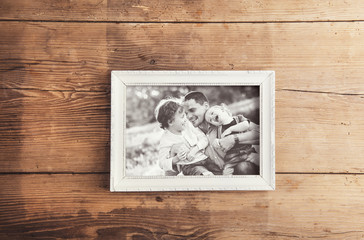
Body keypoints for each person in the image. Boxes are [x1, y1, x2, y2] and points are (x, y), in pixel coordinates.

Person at [183, 91, 259, 175]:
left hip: (238, 169)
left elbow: (262, 133)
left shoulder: (225, 120)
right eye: (186, 113)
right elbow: (188, 165)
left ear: (206, 106)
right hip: (217, 177)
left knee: (244, 167)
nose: (189, 116)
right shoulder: (190, 135)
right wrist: (204, 173)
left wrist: (234, 139)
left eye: (192, 110)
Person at [155, 98, 214, 176]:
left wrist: (194, 150)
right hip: (190, 165)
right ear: (170, 122)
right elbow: (162, 163)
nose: (186, 119)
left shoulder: (188, 126)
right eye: (182, 116)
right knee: (205, 174)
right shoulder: (166, 139)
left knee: (221, 170)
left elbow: (204, 139)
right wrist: (176, 159)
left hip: (204, 159)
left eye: (185, 115)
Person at [205, 105, 260, 175]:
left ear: (222, 109)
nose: (212, 117)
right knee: (226, 173)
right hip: (232, 158)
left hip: (247, 152)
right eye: (210, 120)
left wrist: (231, 129)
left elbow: (246, 125)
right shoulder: (219, 129)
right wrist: (217, 142)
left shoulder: (239, 118)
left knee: (262, 162)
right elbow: (220, 142)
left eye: (212, 113)